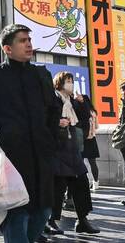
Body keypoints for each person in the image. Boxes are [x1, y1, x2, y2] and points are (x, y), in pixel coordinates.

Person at [0, 24, 60, 243]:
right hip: (12, 160)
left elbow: (53, 109)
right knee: (16, 215)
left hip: (41, 157)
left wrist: (50, 139)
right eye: (22, 40)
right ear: (7, 48)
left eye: (29, 39)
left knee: (44, 211)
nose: (29, 44)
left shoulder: (41, 74)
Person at [47, 72, 99, 235]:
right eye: (68, 81)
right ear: (59, 83)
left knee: (82, 184)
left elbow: (84, 122)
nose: (71, 84)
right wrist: (57, 122)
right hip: (58, 149)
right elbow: (44, 120)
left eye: (72, 81)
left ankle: (82, 220)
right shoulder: (52, 100)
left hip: (73, 149)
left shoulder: (74, 102)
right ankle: (51, 221)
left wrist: (83, 105)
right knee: (58, 187)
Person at [73, 93, 100, 192]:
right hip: (92, 139)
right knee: (93, 163)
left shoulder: (82, 112)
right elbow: (97, 127)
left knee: (81, 162)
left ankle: (86, 182)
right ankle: (96, 183)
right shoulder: (93, 112)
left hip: (82, 139)